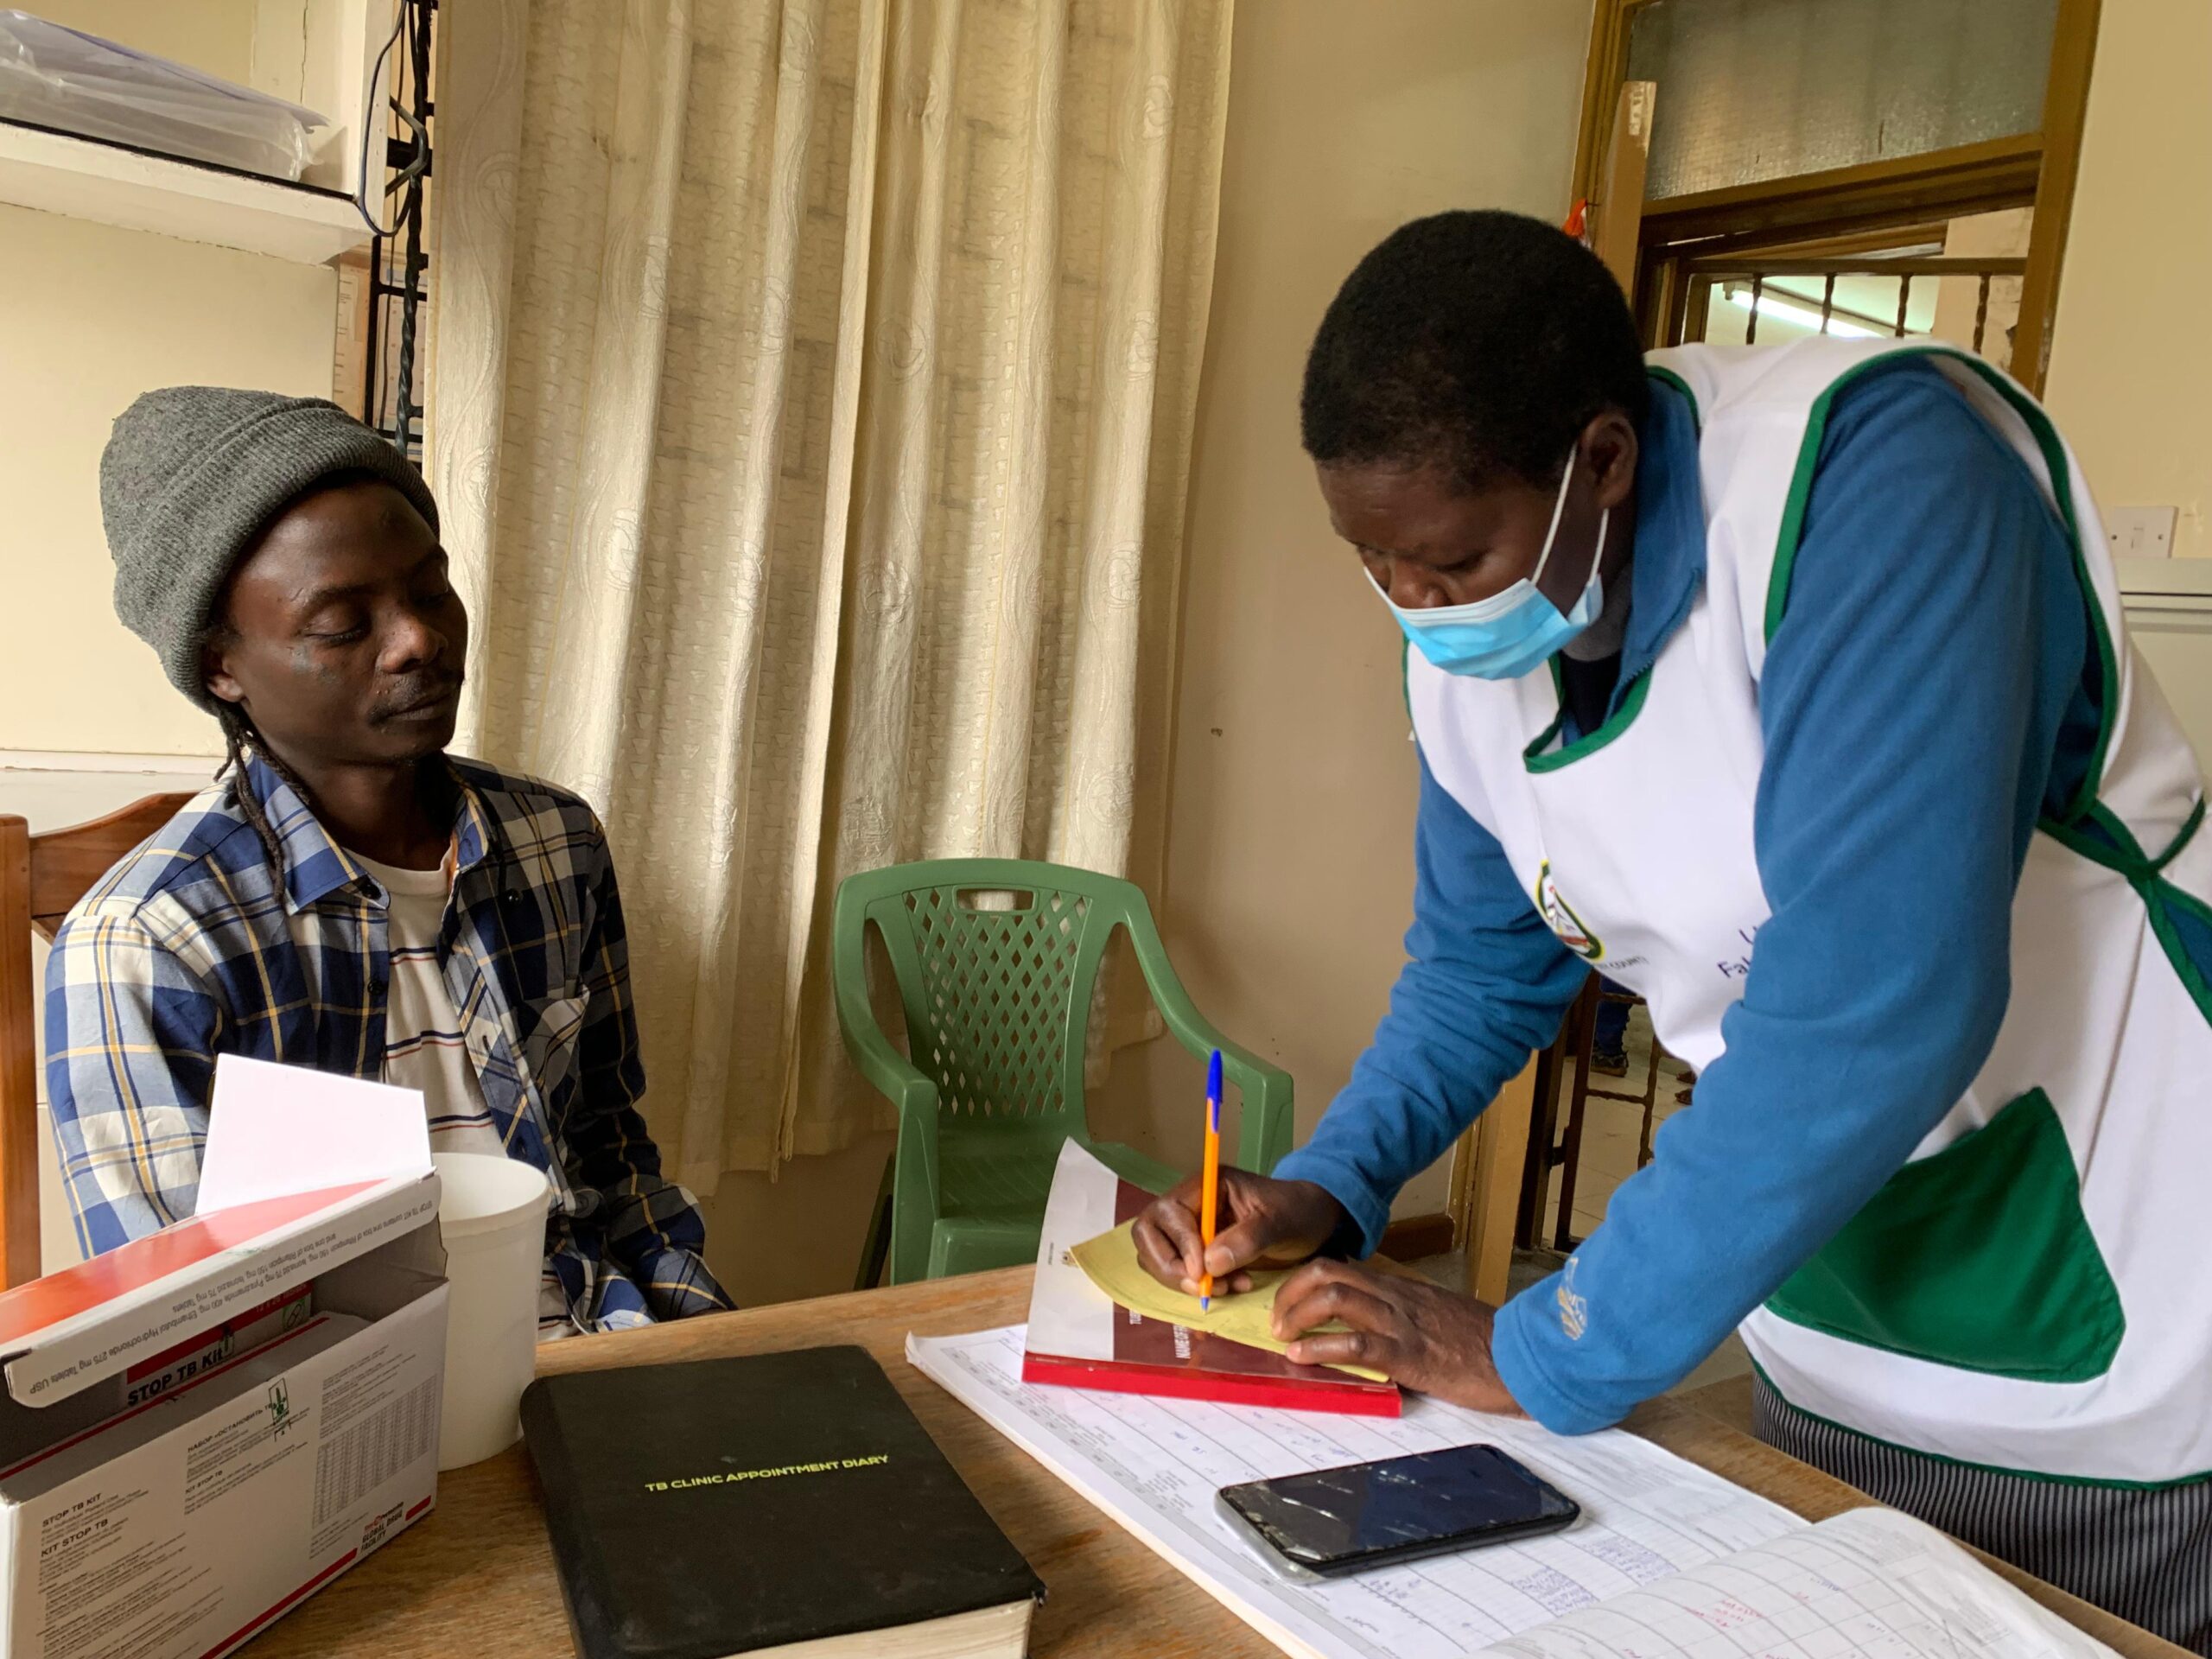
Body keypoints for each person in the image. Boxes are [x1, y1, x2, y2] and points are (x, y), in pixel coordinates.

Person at [1135, 213, 2212, 1649]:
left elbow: (1874, 1004)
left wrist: (1549, 1341)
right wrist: (1332, 1185)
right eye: (1373, 563)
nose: (1413, 606)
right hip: (1828, 1270)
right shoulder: (1476, 631)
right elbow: (1478, 968)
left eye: (1448, 563)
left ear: (1603, 462)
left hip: (2116, 1259)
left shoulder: (1880, 482)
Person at [48, 387, 732, 1338]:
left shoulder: (554, 841)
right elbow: (178, 1321)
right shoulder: (143, 944)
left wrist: (713, 1347)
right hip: (332, 1415)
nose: (420, 639)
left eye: (428, 589)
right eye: (342, 623)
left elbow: (610, 1156)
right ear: (221, 668)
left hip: (592, 1345)